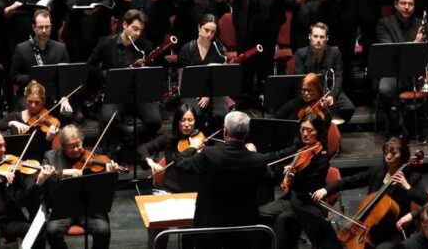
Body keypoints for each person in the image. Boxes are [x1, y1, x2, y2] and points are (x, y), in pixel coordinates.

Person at [173, 111, 271, 249]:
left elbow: (180, 163)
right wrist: (254, 154)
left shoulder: (209, 154)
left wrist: (192, 147)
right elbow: (269, 179)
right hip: (242, 231)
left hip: (209, 230)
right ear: (247, 133)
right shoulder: (258, 160)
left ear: (225, 131)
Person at [312, 137, 428, 249]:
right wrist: (326, 190)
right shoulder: (378, 170)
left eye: (393, 153)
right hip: (367, 227)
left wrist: (407, 187)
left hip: (393, 231)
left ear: (403, 156)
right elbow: (351, 181)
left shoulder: (412, 177)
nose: (388, 157)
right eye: (386, 152)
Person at [376, 0, 428, 139]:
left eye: (410, 4)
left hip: (420, 72)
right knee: (384, 89)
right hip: (396, 73)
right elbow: (391, 54)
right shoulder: (384, 24)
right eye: (403, 3)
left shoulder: (424, 24)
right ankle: (398, 127)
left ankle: (415, 117)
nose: (406, 7)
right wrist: (415, 42)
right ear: (396, 4)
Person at [88, 9, 160, 158]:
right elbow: (89, 67)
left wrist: (145, 70)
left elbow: (153, 73)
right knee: (108, 118)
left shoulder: (145, 46)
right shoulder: (107, 43)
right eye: (135, 29)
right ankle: (135, 144)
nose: (138, 34)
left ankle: (126, 140)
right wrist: (107, 75)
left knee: (155, 120)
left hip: (139, 93)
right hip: (116, 93)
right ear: (125, 25)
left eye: (141, 30)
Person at [259, 113, 338, 249]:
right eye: (302, 129)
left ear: (318, 132)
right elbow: (278, 155)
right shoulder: (299, 148)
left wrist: (294, 174)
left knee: (283, 221)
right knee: (260, 214)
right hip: (292, 199)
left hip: (308, 203)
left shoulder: (322, 158)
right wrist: (256, 157)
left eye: (310, 130)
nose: (305, 134)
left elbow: (308, 185)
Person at [42, 124, 119, 249]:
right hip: (63, 210)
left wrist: (109, 173)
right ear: (62, 145)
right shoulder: (50, 157)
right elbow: (46, 181)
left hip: (89, 210)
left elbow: (104, 188)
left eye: (79, 144)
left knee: (103, 230)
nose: (77, 149)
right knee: (52, 231)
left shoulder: (91, 157)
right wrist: (64, 173)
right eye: (71, 146)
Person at [139, 105, 204, 248]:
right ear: (177, 122)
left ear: (195, 121)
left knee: (198, 225)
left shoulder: (201, 141)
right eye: (183, 120)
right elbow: (143, 148)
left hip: (192, 193)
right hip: (169, 190)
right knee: (156, 222)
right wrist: (150, 161)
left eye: (190, 120)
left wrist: (198, 149)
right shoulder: (169, 139)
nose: (187, 125)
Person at [293, 23, 356, 124]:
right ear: (310, 37)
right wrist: (316, 96)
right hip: (309, 91)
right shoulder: (300, 54)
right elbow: (299, 80)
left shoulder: (335, 53)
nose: (318, 40)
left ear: (327, 38)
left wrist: (332, 96)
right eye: (315, 36)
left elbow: (339, 76)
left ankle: (334, 131)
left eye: (322, 37)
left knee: (349, 108)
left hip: (329, 90)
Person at [176, 15, 229, 131]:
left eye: (212, 32)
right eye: (206, 30)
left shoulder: (218, 49)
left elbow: (220, 78)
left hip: (214, 90)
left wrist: (208, 94)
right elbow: (183, 79)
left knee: (221, 114)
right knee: (195, 113)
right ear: (199, 28)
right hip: (191, 90)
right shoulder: (187, 49)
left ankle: (211, 139)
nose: (209, 34)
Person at [8, 9, 70, 106]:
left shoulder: (61, 48)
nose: (44, 30)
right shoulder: (21, 49)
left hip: (52, 95)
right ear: (34, 27)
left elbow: (66, 76)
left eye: (47, 27)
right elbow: (13, 76)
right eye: (41, 27)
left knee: (66, 114)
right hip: (29, 95)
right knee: (29, 112)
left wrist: (64, 96)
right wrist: (33, 78)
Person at [0, 80, 60, 160]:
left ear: (43, 101)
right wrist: (12, 123)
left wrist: (48, 139)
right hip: (15, 160)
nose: (33, 105)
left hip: (36, 162)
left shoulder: (46, 121)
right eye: (30, 101)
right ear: (25, 99)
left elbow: (43, 152)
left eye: (37, 102)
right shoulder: (15, 116)